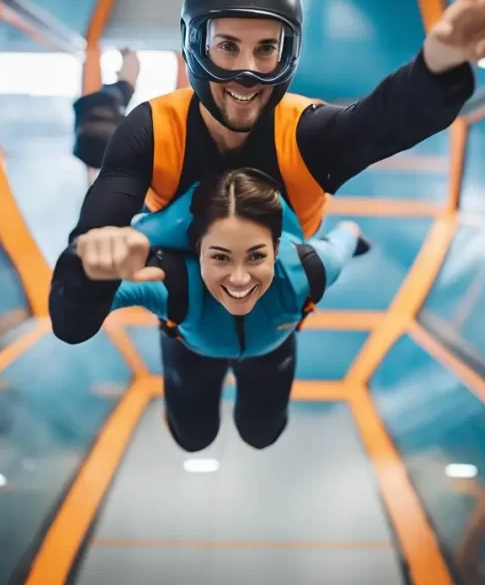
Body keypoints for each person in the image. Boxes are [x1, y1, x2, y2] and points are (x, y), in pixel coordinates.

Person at [50, 0, 485, 347]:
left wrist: (442, 60)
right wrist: (91, 262)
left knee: (262, 425)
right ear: (194, 45)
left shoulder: (307, 135)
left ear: (291, 52)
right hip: (196, 295)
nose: (247, 72)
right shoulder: (152, 130)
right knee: (194, 424)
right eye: (228, 47)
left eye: (267, 49)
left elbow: (387, 120)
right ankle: (117, 86)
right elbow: (72, 316)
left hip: (264, 297)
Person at [58, 167, 370, 450]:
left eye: (256, 257)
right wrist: (84, 272)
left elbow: (343, 240)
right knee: (193, 438)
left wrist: (352, 233)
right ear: (197, 252)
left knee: (261, 433)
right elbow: (73, 321)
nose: (239, 279)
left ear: (276, 249)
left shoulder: (309, 269)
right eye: (220, 257)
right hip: (202, 353)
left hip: (241, 351)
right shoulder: (173, 280)